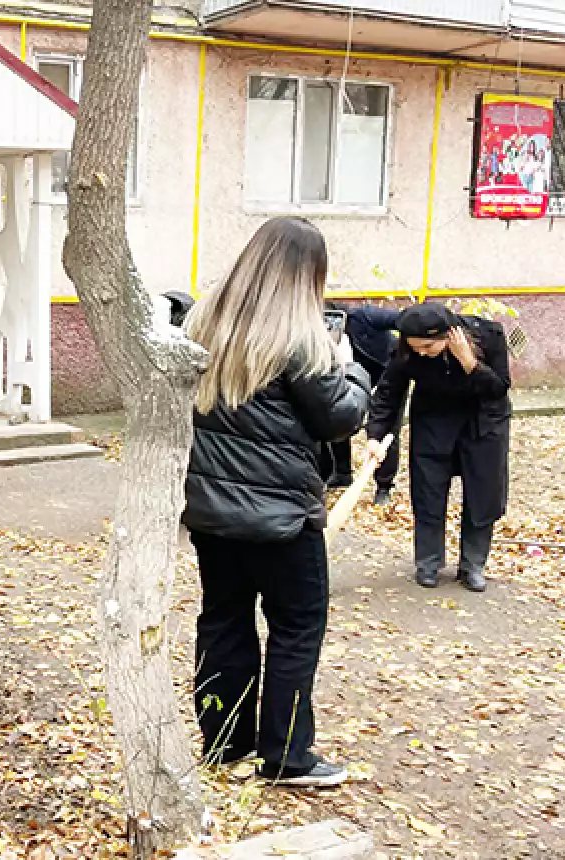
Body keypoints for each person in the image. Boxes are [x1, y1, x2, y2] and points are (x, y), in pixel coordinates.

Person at [181, 217, 370, 788]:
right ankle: (287, 754)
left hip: (212, 512)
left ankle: (223, 744)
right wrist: (353, 366)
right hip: (283, 519)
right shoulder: (301, 340)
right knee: (296, 627)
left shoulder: (203, 320)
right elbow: (338, 416)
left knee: (223, 621)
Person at [367, 303, 511, 594]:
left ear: (450, 335)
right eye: (416, 346)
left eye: (428, 346)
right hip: (433, 423)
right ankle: (428, 563)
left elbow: (498, 388)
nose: (422, 352)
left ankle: (473, 565)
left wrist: (469, 362)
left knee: (483, 494)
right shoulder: (407, 350)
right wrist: (375, 435)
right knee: (427, 491)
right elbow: (388, 394)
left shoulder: (489, 336)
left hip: (482, 424)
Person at [318, 302, 402, 505]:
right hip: (346, 376)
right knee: (335, 415)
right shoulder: (311, 334)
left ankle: (384, 486)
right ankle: (342, 473)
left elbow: (403, 320)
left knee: (384, 428)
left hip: (385, 375)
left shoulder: (365, 317)